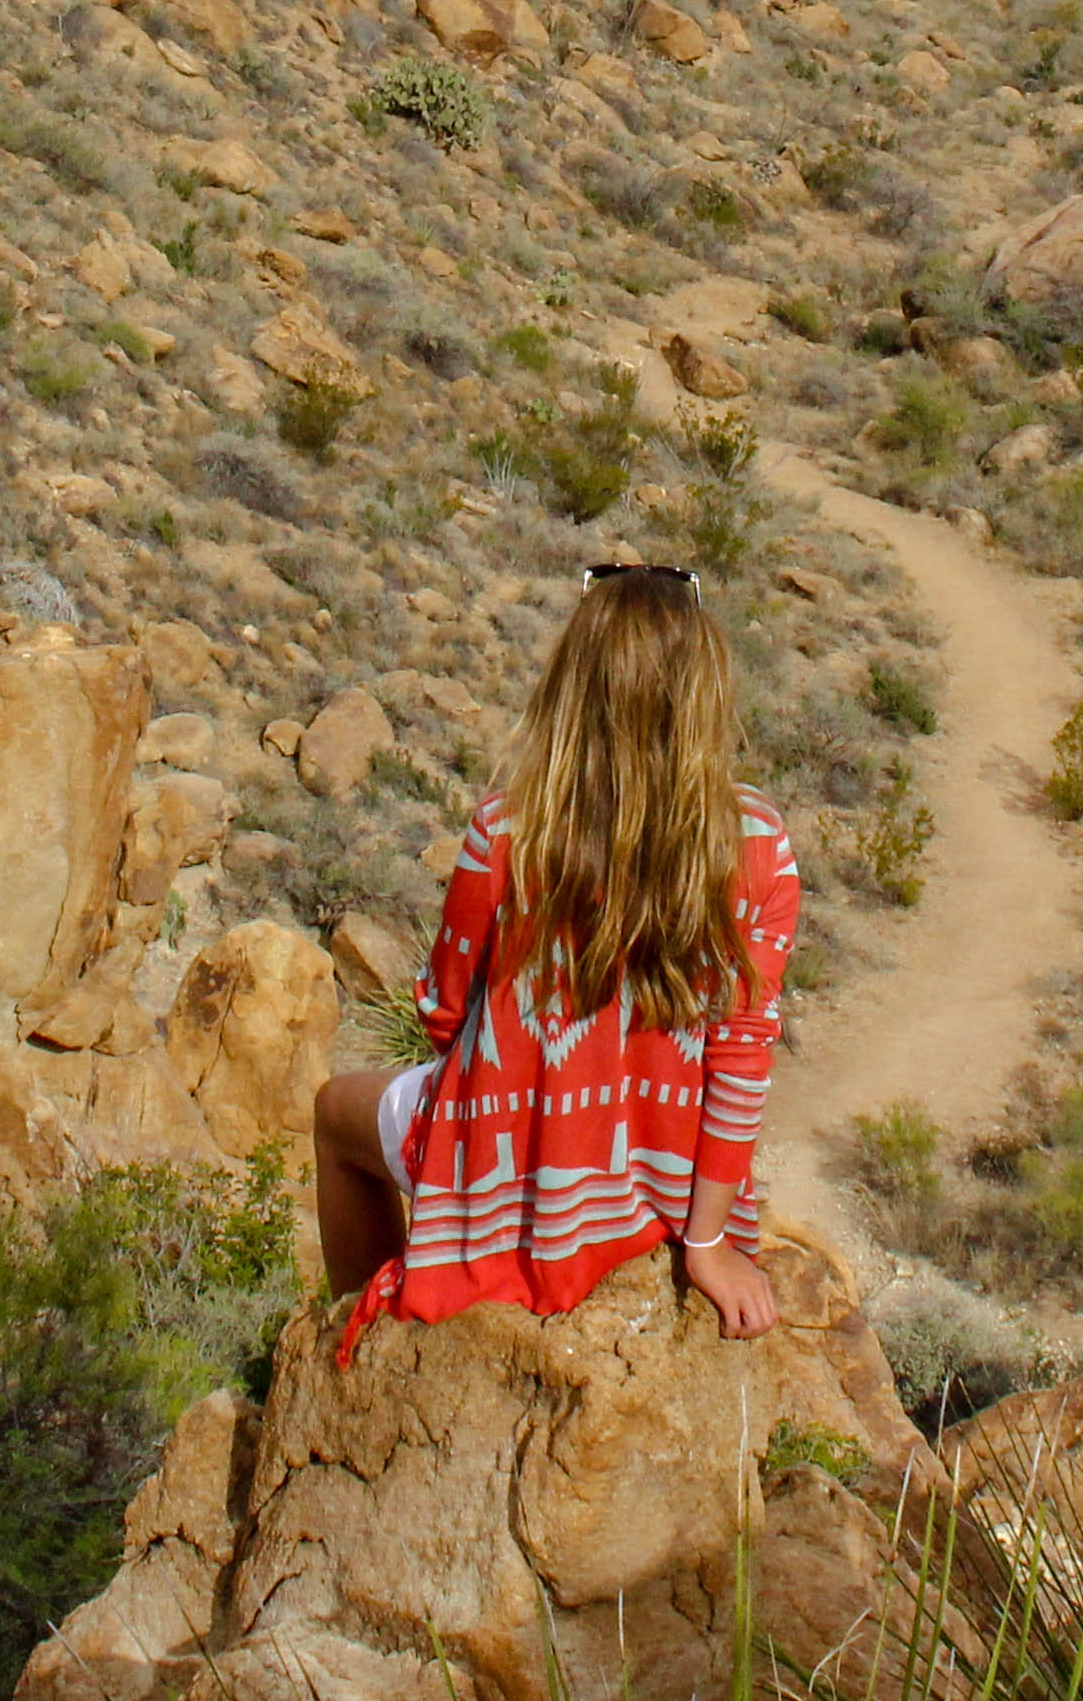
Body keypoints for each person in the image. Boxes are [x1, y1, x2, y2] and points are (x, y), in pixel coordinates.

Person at [316, 561, 802, 1353]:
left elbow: (444, 1012)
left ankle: (373, 1353)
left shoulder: (510, 828)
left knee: (335, 1113)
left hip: (512, 1168)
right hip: (674, 1177)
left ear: (576, 685)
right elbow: (743, 1053)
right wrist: (708, 1242)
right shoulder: (756, 840)